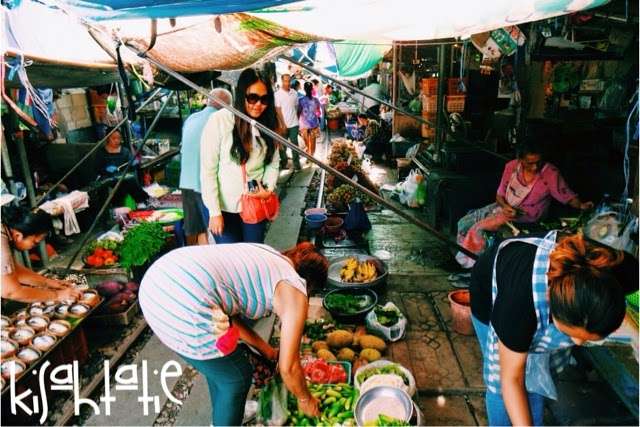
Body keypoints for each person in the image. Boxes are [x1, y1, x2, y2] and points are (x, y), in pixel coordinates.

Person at [138, 241, 329, 426]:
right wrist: (305, 399)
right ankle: (225, 418)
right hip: (185, 304)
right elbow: (289, 367)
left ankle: (226, 413)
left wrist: (268, 351)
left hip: (157, 286)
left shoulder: (269, 257)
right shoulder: (294, 287)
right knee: (237, 377)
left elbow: (230, 318)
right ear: (310, 283)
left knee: (220, 368)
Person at [470, 231, 638, 426]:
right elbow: (510, 381)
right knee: (502, 384)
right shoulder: (518, 306)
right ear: (553, 306)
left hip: (528, 302)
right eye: (571, 334)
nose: (579, 343)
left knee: (534, 384)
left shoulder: (623, 270)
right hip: (489, 294)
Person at [456, 139, 593, 268]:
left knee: (478, 229)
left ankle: (476, 266)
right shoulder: (511, 167)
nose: (534, 167)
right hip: (502, 208)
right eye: (529, 163)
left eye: (538, 162)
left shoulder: (550, 173)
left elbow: (567, 195)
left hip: (527, 217)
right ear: (520, 160)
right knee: (464, 222)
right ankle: (464, 259)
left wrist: (581, 205)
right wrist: (505, 206)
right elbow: (500, 195)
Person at [200, 68, 281, 244]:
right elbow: (208, 170)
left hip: (255, 204)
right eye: (253, 98)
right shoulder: (220, 120)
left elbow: (273, 163)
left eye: (264, 99)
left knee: (254, 254)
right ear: (241, 95)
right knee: (232, 260)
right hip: (224, 208)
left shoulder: (268, 124)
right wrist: (214, 212)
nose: (258, 104)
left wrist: (267, 190)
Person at [179, 88, 233, 246]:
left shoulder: (191, 118)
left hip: (187, 181)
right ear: (225, 106)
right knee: (210, 229)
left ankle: (191, 258)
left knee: (192, 228)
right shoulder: (220, 120)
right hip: (206, 182)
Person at [1, 203, 82, 303]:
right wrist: (57, 295)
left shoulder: (6, 229)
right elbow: (9, 291)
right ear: (17, 236)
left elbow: (13, 269)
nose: (34, 246)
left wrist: (46, 282)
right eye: (34, 242)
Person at [94, 128, 149, 206]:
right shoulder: (101, 152)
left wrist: (133, 164)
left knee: (130, 183)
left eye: (119, 138)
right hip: (109, 179)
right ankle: (144, 200)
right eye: (113, 138)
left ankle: (145, 201)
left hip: (124, 178)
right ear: (107, 138)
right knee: (121, 186)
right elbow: (97, 169)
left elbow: (131, 168)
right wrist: (106, 169)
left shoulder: (125, 151)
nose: (117, 141)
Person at [275, 74, 301, 170]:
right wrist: (282, 124)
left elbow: (297, 107)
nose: (287, 83)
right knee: (283, 145)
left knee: (295, 144)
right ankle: (284, 162)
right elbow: (278, 110)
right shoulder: (277, 94)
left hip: (294, 124)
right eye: (285, 81)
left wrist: (297, 119)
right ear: (282, 81)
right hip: (282, 125)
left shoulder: (294, 93)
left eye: (289, 81)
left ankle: (296, 163)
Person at [298, 81, 322, 159]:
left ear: (304, 89)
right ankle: (312, 158)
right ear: (312, 89)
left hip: (303, 125)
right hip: (314, 124)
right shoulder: (315, 100)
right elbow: (318, 112)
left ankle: (309, 157)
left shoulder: (300, 100)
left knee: (307, 144)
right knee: (313, 143)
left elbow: (299, 112)